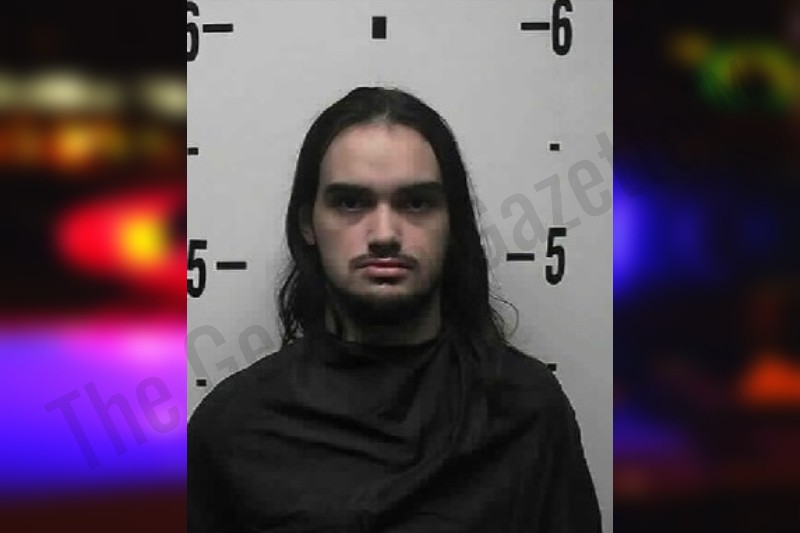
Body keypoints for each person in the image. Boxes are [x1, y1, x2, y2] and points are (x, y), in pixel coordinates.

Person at [188, 86, 602, 532]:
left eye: (416, 203)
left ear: (452, 223)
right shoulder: (233, 427)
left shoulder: (526, 411)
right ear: (308, 224)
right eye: (351, 202)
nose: (384, 233)